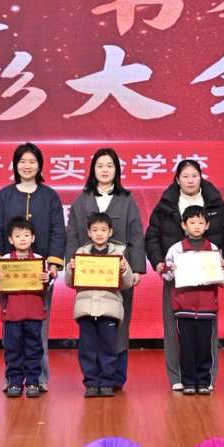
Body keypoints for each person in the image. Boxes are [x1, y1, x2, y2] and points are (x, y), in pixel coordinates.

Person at [145, 158, 224, 391]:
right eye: (185, 176)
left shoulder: (214, 203)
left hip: (207, 281)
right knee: (175, 331)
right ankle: (178, 377)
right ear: (177, 179)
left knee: (207, 334)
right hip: (176, 280)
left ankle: (206, 379)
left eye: (194, 175)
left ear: (201, 177)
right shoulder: (166, 204)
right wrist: (159, 263)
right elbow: (152, 236)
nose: (190, 180)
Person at [64, 148, 145, 390]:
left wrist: (136, 268)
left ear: (117, 170)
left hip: (120, 272)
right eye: (100, 166)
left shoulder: (126, 200)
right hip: (89, 274)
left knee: (118, 323)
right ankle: (93, 378)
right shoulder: (82, 200)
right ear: (93, 170)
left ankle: (114, 377)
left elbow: (136, 234)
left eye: (110, 165)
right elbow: (72, 236)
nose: (105, 170)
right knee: (90, 326)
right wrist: (72, 265)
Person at [0, 143, 65, 391]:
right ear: (15, 165)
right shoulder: (4, 195)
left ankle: (38, 378)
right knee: (11, 329)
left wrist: (53, 264)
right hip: (9, 274)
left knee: (38, 328)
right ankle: (12, 378)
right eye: (22, 161)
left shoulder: (50, 195)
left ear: (40, 165)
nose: (27, 166)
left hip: (40, 273)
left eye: (32, 161)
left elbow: (58, 230)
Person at [67, 212, 135, 398]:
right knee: (87, 348)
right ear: (89, 232)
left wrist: (124, 270)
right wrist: (71, 269)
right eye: (95, 230)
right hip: (86, 309)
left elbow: (128, 283)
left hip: (109, 310)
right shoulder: (81, 254)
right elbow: (69, 282)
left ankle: (106, 382)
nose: (99, 233)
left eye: (103, 230)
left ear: (110, 232)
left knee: (108, 348)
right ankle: (90, 383)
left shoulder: (118, 255)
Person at [161, 207, 224, 395]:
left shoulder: (213, 249)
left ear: (207, 225)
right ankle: (188, 381)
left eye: (200, 223)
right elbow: (165, 276)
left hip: (207, 307)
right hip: (184, 307)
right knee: (187, 347)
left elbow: (223, 281)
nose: (196, 226)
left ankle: (204, 381)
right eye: (192, 222)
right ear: (184, 225)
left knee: (205, 347)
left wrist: (223, 269)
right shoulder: (176, 249)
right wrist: (170, 269)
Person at [0, 217, 53, 398]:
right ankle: (15, 382)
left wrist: (47, 278)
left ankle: (33, 381)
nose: (22, 239)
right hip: (12, 314)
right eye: (18, 236)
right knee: (13, 350)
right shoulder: (3, 261)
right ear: (10, 240)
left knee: (34, 349)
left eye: (26, 235)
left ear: (33, 238)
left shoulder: (40, 260)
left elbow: (49, 283)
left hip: (34, 314)